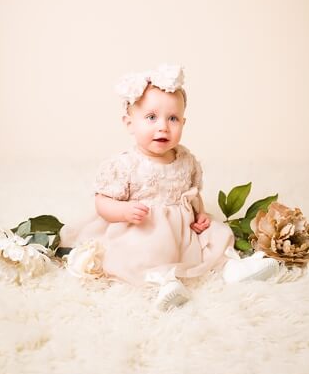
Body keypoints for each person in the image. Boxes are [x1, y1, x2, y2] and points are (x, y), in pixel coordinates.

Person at [60, 65, 279, 310]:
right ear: (129, 123)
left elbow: (191, 195)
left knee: (217, 233)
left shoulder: (186, 159)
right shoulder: (125, 165)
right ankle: (162, 283)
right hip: (142, 227)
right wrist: (123, 212)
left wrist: (201, 216)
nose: (163, 126)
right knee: (146, 250)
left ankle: (232, 267)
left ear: (183, 122)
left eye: (173, 118)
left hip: (183, 229)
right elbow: (102, 202)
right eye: (151, 117)